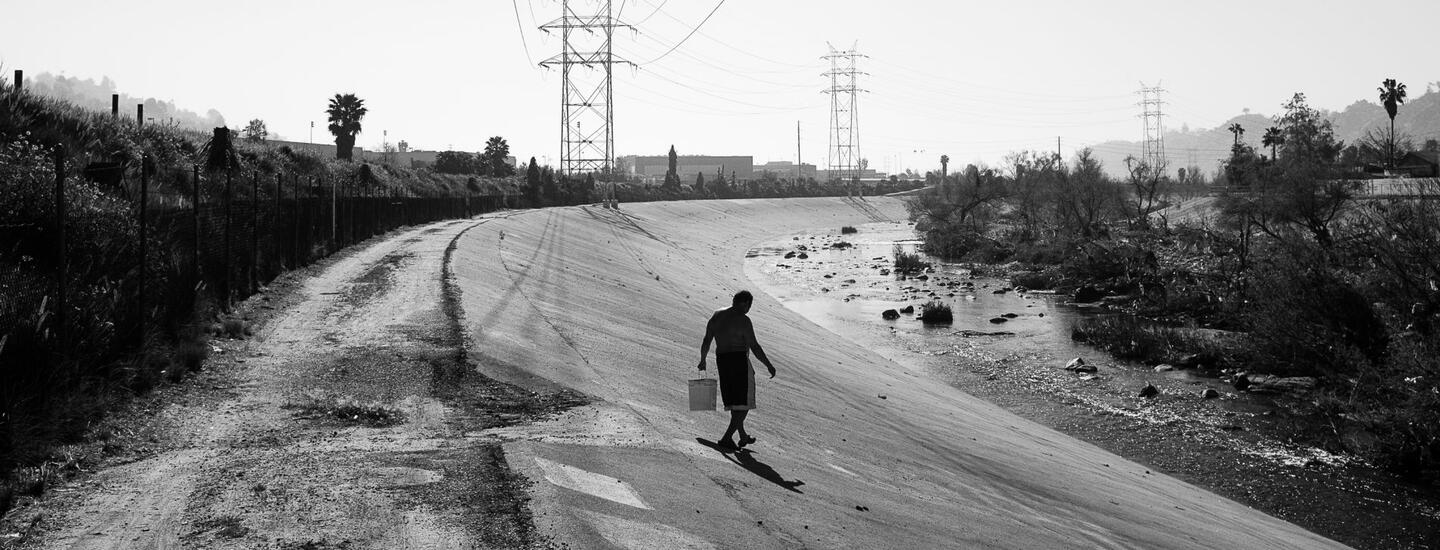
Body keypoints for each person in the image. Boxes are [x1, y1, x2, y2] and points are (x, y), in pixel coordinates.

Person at [697, 290, 776, 451]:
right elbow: (754, 346)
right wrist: (768, 364)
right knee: (744, 404)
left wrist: (703, 359)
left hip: (722, 360)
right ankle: (726, 438)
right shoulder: (744, 320)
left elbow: (707, 340)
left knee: (734, 402)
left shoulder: (717, 315)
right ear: (746, 303)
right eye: (749, 305)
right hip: (739, 361)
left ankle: (742, 435)